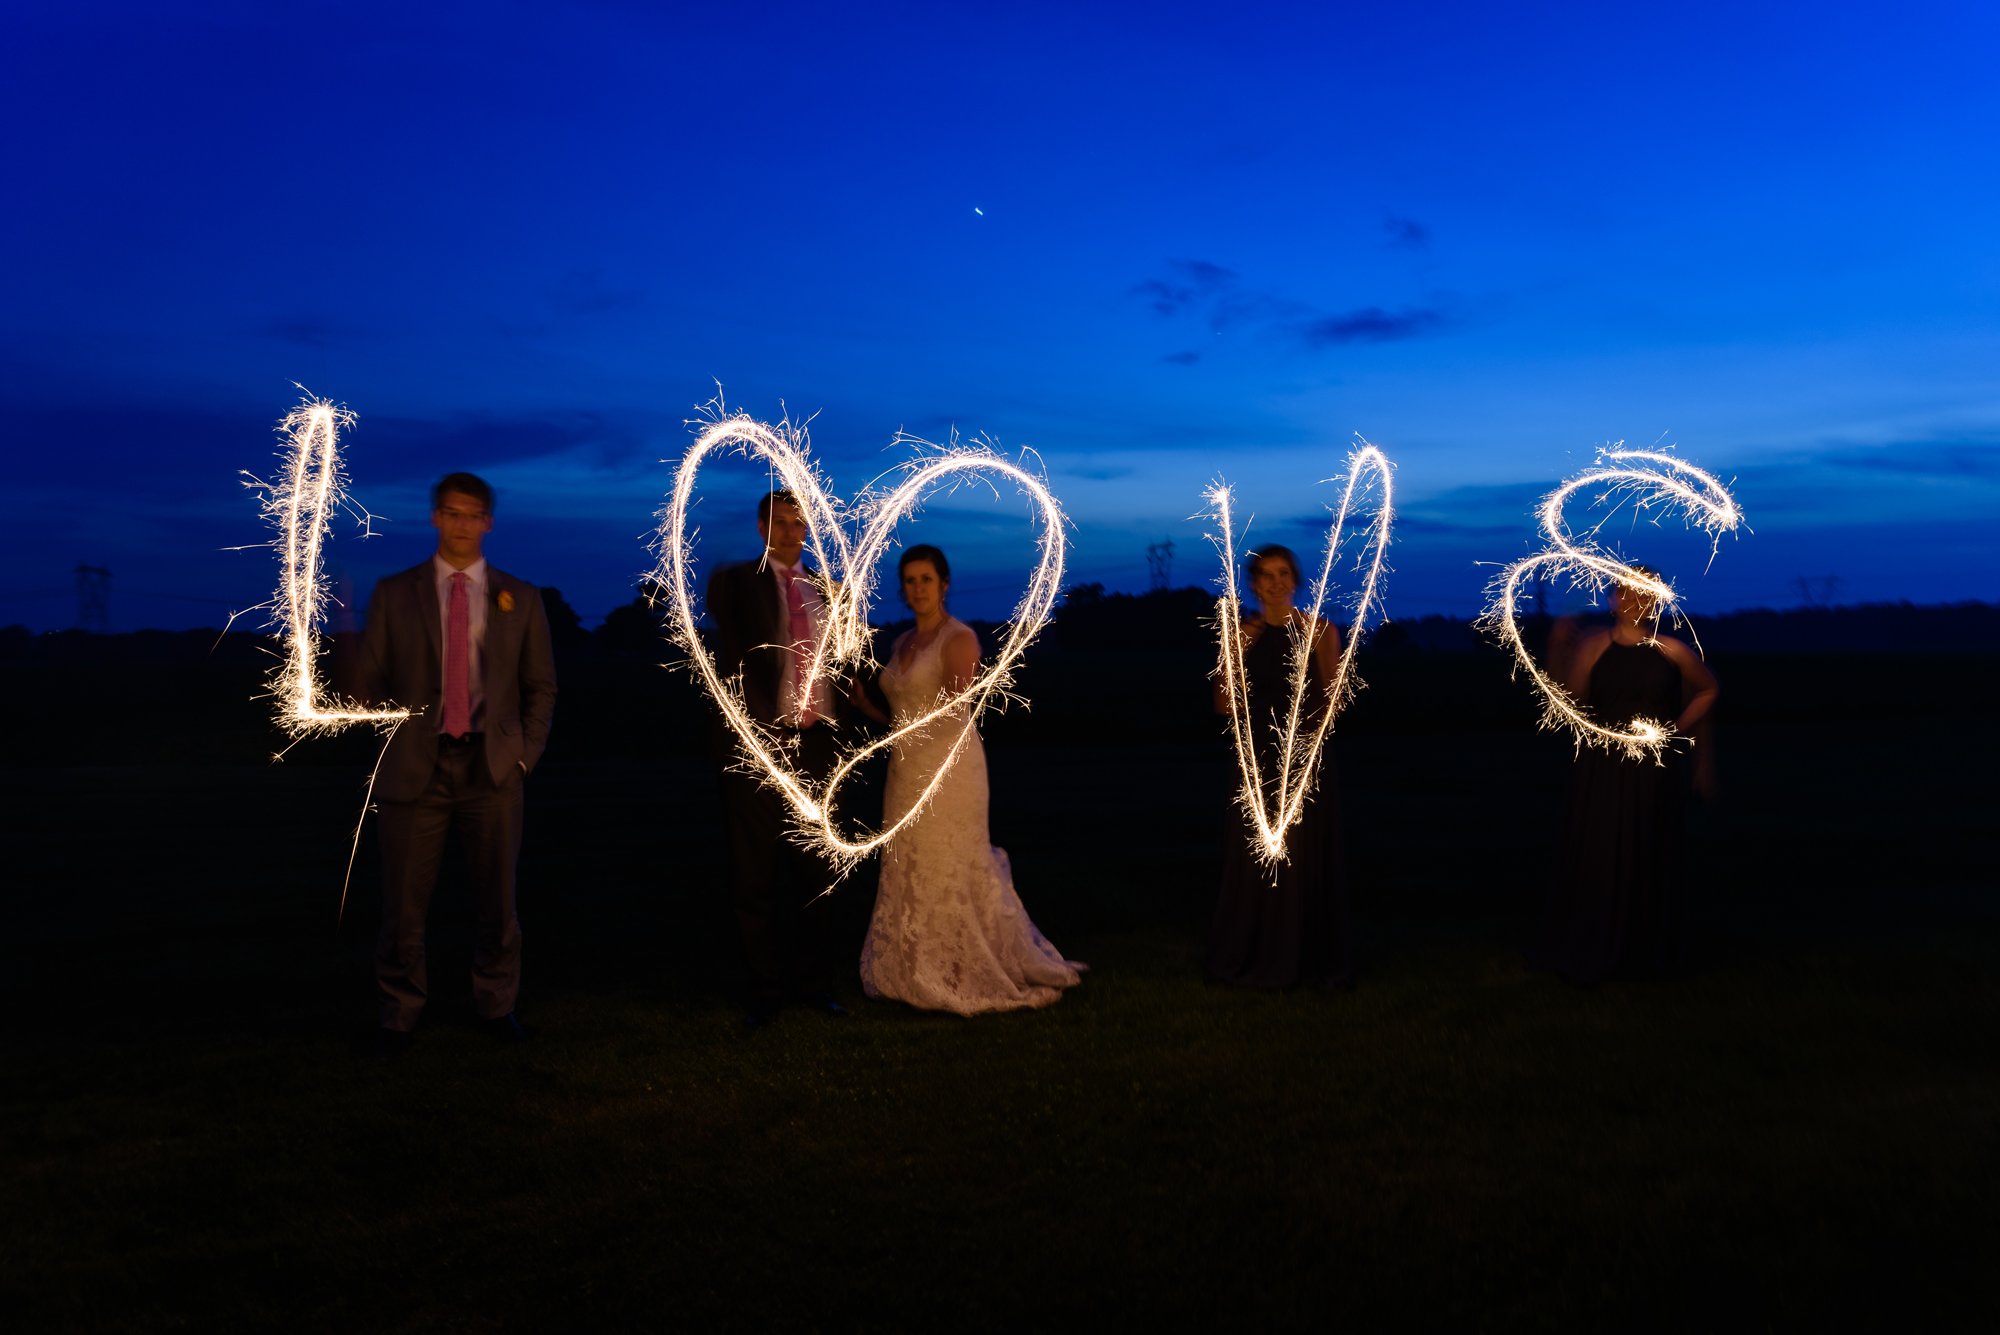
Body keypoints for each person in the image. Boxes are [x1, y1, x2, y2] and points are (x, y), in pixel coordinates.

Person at [357, 472, 557, 1054]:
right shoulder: (396, 593)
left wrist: (524, 756)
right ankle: (398, 1014)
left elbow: (541, 685)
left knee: (498, 900)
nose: (463, 524)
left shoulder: (520, 596)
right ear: (435, 518)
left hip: (492, 769)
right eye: (452, 513)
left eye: (474, 515)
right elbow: (370, 682)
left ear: (488, 523)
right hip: (415, 767)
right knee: (403, 904)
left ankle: (497, 1006)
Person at [849, 545, 1085, 1015]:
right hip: (905, 772)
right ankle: (913, 966)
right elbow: (901, 717)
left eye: (926, 579)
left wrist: (906, 727)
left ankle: (960, 966)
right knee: (910, 865)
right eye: (910, 580)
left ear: (944, 585)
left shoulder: (959, 639)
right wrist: (866, 705)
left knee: (949, 862)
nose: (918, 589)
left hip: (948, 773)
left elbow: (953, 713)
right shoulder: (901, 643)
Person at [1530, 567, 1720, 984]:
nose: (1637, 602)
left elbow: (1708, 689)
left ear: (1657, 600)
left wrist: (1674, 733)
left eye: (1646, 595)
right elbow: (1573, 704)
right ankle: (1597, 939)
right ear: (1614, 598)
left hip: (1652, 770)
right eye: (1628, 593)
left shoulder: (1673, 650)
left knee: (1647, 843)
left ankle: (1646, 945)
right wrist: (1558, 650)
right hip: (1603, 768)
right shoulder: (1594, 647)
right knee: (1603, 846)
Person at [707, 490, 850, 1027]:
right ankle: (765, 991)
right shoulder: (742, 582)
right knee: (755, 876)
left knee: (817, 875)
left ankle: (817, 985)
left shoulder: (824, 590)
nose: (792, 533)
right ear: (763, 527)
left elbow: (844, 656)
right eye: (781, 523)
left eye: (799, 524)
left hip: (814, 746)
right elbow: (722, 607)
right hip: (760, 746)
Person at [1205, 543, 1352, 991]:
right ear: (1253, 584)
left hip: (1303, 764)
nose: (1275, 583)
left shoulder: (1321, 631)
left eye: (1283, 573)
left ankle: (1306, 956)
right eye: (1266, 575)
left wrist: (1306, 734)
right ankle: (1254, 952)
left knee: (1303, 857)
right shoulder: (1240, 636)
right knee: (1255, 864)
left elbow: (1335, 702)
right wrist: (1240, 649)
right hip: (1257, 765)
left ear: (1296, 580)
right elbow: (1224, 706)